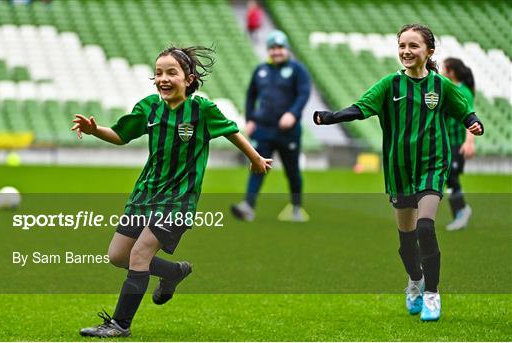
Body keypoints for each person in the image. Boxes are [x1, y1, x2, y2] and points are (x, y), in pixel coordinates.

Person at [72, 45, 272, 337]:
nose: (163, 79)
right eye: (158, 73)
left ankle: (119, 325)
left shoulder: (202, 109)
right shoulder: (149, 107)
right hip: (145, 193)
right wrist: (95, 130)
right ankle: (173, 272)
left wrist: (254, 158)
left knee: (140, 254)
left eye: (171, 73)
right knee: (117, 256)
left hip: (178, 200)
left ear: (188, 79)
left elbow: (231, 130)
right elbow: (120, 135)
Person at [314, 24, 484, 321]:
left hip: (432, 165)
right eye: (402, 45)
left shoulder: (441, 85)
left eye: (413, 46)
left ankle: (432, 294)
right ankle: (415, 280)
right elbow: (361, 107)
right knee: (406, 242)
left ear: (429, 52)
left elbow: (463, 109)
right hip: (399, 170)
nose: (406, 51)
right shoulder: (389, 85)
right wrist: (331, 117)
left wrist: (473, 122)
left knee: (425, 227)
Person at [231, 30, 311, 222]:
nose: (276, 52)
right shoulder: (260, 70)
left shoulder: (298, 70)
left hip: (288, 132)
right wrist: (250, 119)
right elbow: (251, 96)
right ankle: (248, 206)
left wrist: (293, 113)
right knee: (258, 167)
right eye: (273, 48)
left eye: (280, 48)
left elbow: (303, 94)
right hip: (263, 130)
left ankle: (296, 207)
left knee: (292, 172)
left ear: (287, 49)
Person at [441, 57, 476, 231]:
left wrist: (469, 142)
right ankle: (460, 213)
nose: (441, 72)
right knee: (448, 177)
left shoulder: (464, 92)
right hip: (446, 142)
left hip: (457, 143)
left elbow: (470, 117)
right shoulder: (448, 89)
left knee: (451, 176)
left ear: (451, 72)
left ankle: (461, 211)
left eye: (443, 69)